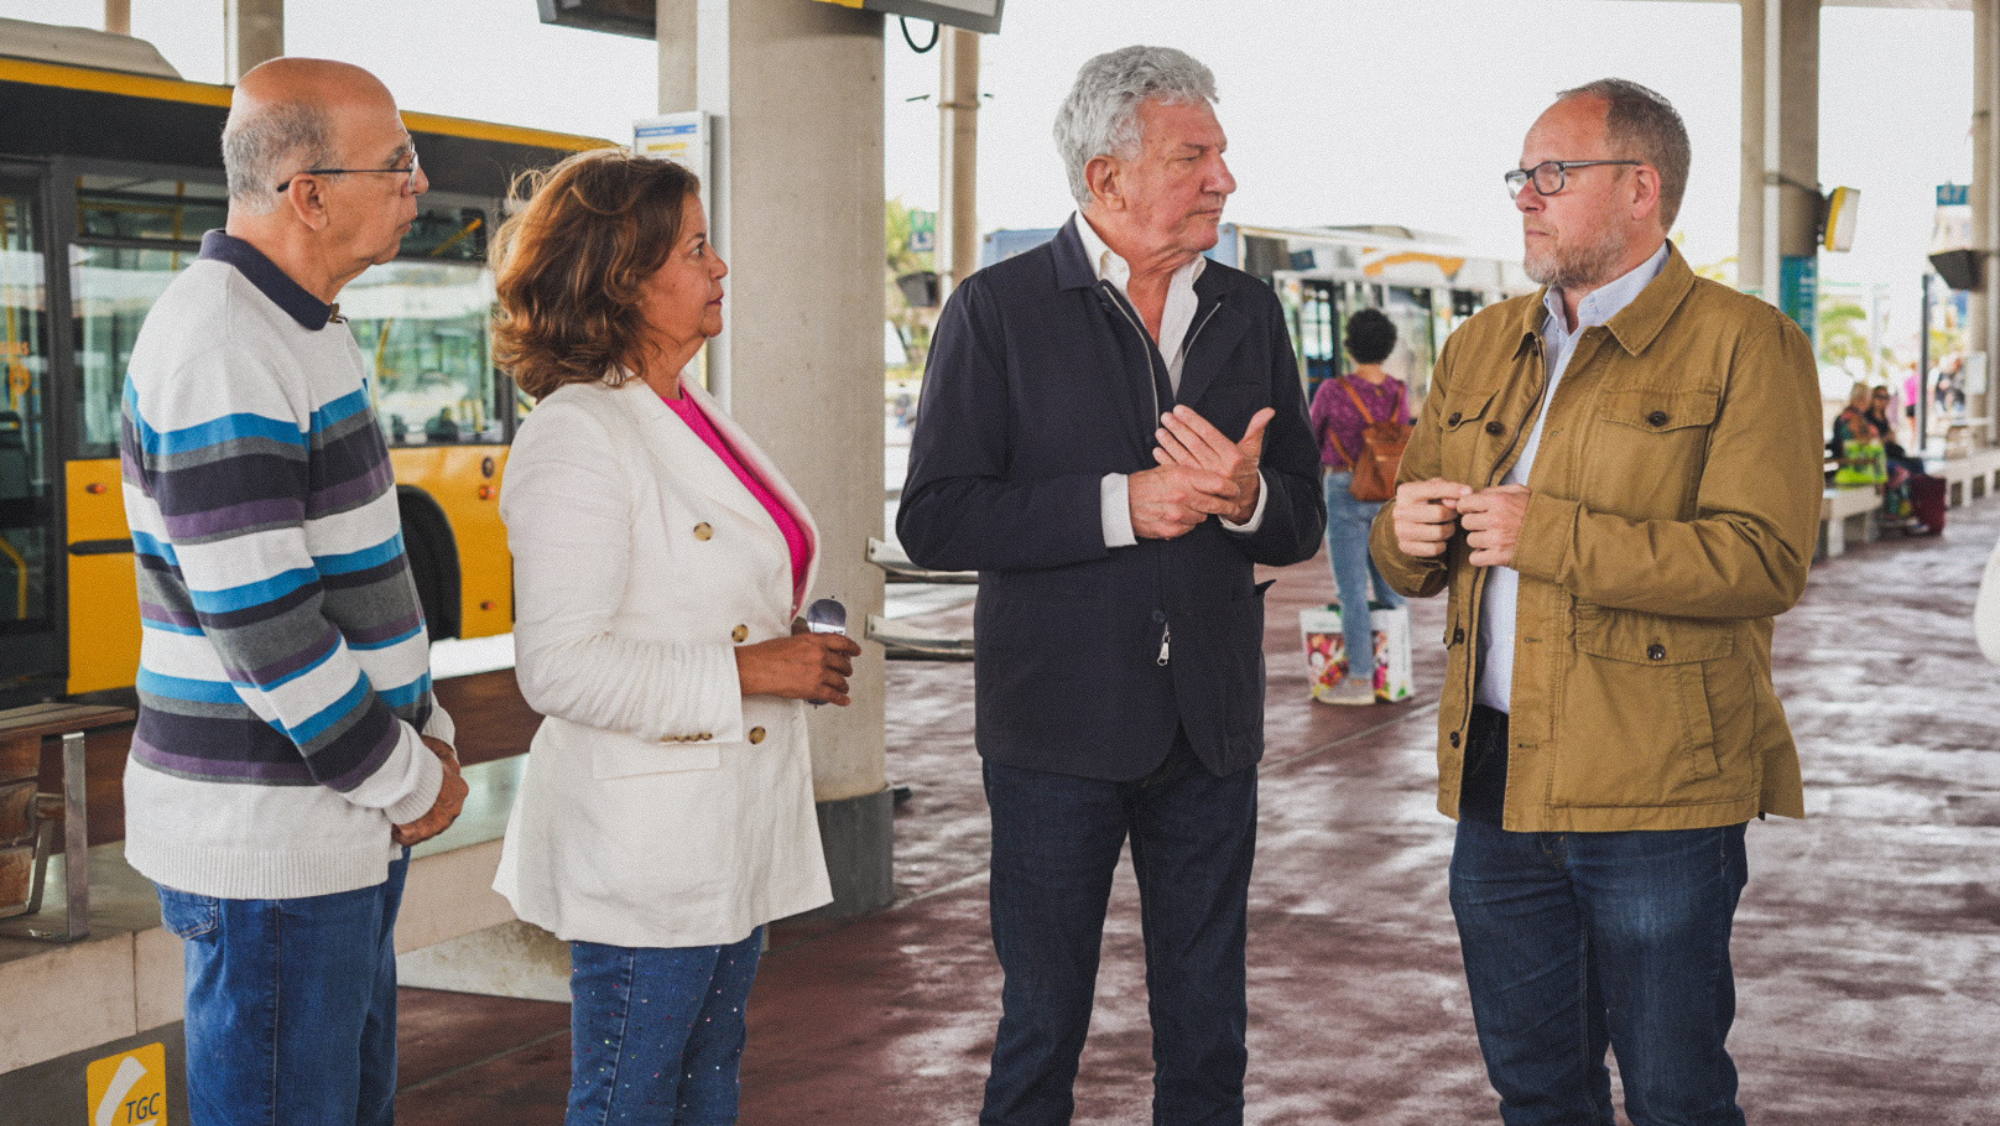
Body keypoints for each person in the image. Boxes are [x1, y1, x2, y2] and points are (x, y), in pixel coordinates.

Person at [1370, 79, 1821, 1124]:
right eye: (1520, 175)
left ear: (1638, 190)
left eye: (1551, 174)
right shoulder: (1479, 344)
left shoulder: (1743, 345)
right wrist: (1402, 539)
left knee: (1672, 1093)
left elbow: (1761, 561)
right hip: (1494, 782)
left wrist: (1551, 534)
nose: (1524, 196)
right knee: (1532, 1088)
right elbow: (1414, 549)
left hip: (1653, 791)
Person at [897, 46, 1325, 1126]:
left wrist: (1240, 500)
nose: (1223, 178)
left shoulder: (1249, 310)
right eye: (1194, 156)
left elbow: (1300, 512)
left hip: (1210, 732)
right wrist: (1116, 506)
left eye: (1220, 153)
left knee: (1207, 1027)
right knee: (1041, 1023)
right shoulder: (993, 311)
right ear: (1106, 178)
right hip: (1053, 736)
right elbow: (936, 514)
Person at [118, 59, 467, 1125]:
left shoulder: (304, 322)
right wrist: (410, 777)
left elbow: (358, 579)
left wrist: (428, 729)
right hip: (270, 852)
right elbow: (268, 631)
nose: (418, 186)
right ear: (307, 192)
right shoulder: (224, 345)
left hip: (332, 824)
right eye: (398, 163)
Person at [488, 148, 860, 1126]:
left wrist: (785, 646)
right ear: (621, 279)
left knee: (704, 1084)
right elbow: (558, 668)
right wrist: (751, 667)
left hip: (722, 827)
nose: (719, 266)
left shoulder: (684, 411)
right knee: (630, 1096)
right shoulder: (577, 433)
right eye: (695, 248)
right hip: (645, 849)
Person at [1307, 307, 1410, 704]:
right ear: (1386, 347)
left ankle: (1361, 680)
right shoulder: (1398, 391)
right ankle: (1397, 670)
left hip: (1346, 490)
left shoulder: (1334, 391)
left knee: (1351, 591)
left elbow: (1312, 436)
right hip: (1387, 492)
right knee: (1391, 588)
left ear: (1350, 347)